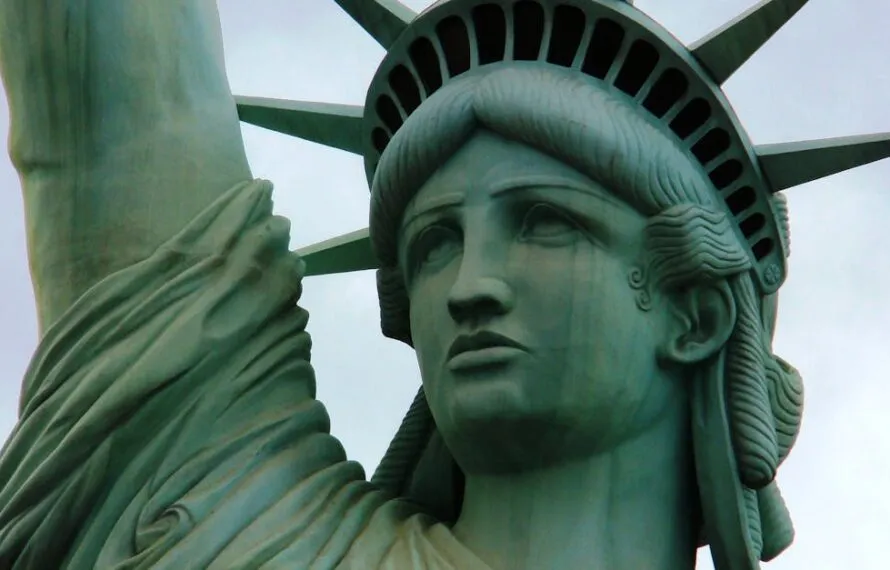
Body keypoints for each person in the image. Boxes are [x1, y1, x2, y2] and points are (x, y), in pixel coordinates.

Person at [0, 0, 837, 568]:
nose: (469, 286)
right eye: (435, 245)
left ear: (694, 314)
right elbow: (116, 100)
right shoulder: (238, 522)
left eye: (544, 222)